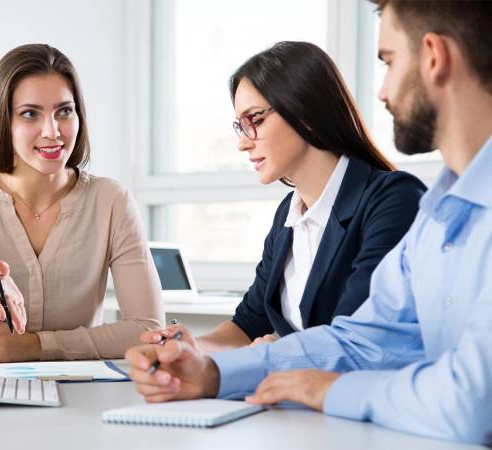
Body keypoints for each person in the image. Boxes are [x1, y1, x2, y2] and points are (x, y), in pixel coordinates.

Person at [126, 0, 492, 444]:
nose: (381, 93)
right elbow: (360, 340)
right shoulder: (438, 215)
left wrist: (334, 388)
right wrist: (210, 371)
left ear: (434, 56)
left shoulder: (398, 200)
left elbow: (471, 401)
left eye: (389, 61)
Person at [141, 42, 424, 353]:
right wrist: (191, 347)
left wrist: (274, 349)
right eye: (240, 126)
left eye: (256, 121)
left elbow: (353, 336)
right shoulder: (288, 216)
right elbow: (248, 325)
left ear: (305, 112)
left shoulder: (392, 200)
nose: (243, 144)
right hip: (292, 397)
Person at [0, 44, 164, 363]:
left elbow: (147, 330)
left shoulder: (112, 201)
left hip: (78, 398)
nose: (53, 132)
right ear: (3, 121)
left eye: (64, 111)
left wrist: (40, 345)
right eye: (30, 114)